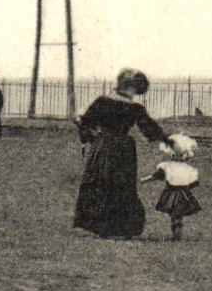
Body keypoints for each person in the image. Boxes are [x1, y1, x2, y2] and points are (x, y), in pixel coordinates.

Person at [72, 69, 172, 239]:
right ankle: (121, 227)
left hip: (102, 146)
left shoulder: (102, 101)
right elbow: (150, 130)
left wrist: (89, 138)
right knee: (122, 186)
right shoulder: (135, 108)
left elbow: (85, 123)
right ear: (132, 89)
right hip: (123, 149)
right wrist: (168, 140)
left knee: (100, 183)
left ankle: (100, 226)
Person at [143, 134, 201, 241]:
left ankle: (176, 233)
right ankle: (177, 232)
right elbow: (194, 182)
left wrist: (145, 180)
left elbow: (157, 176)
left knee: (175, 214)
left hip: (171, 193)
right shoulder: (187, 168)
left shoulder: (167, 166)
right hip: (183, 193)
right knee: (177, 214)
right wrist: (186, 186)